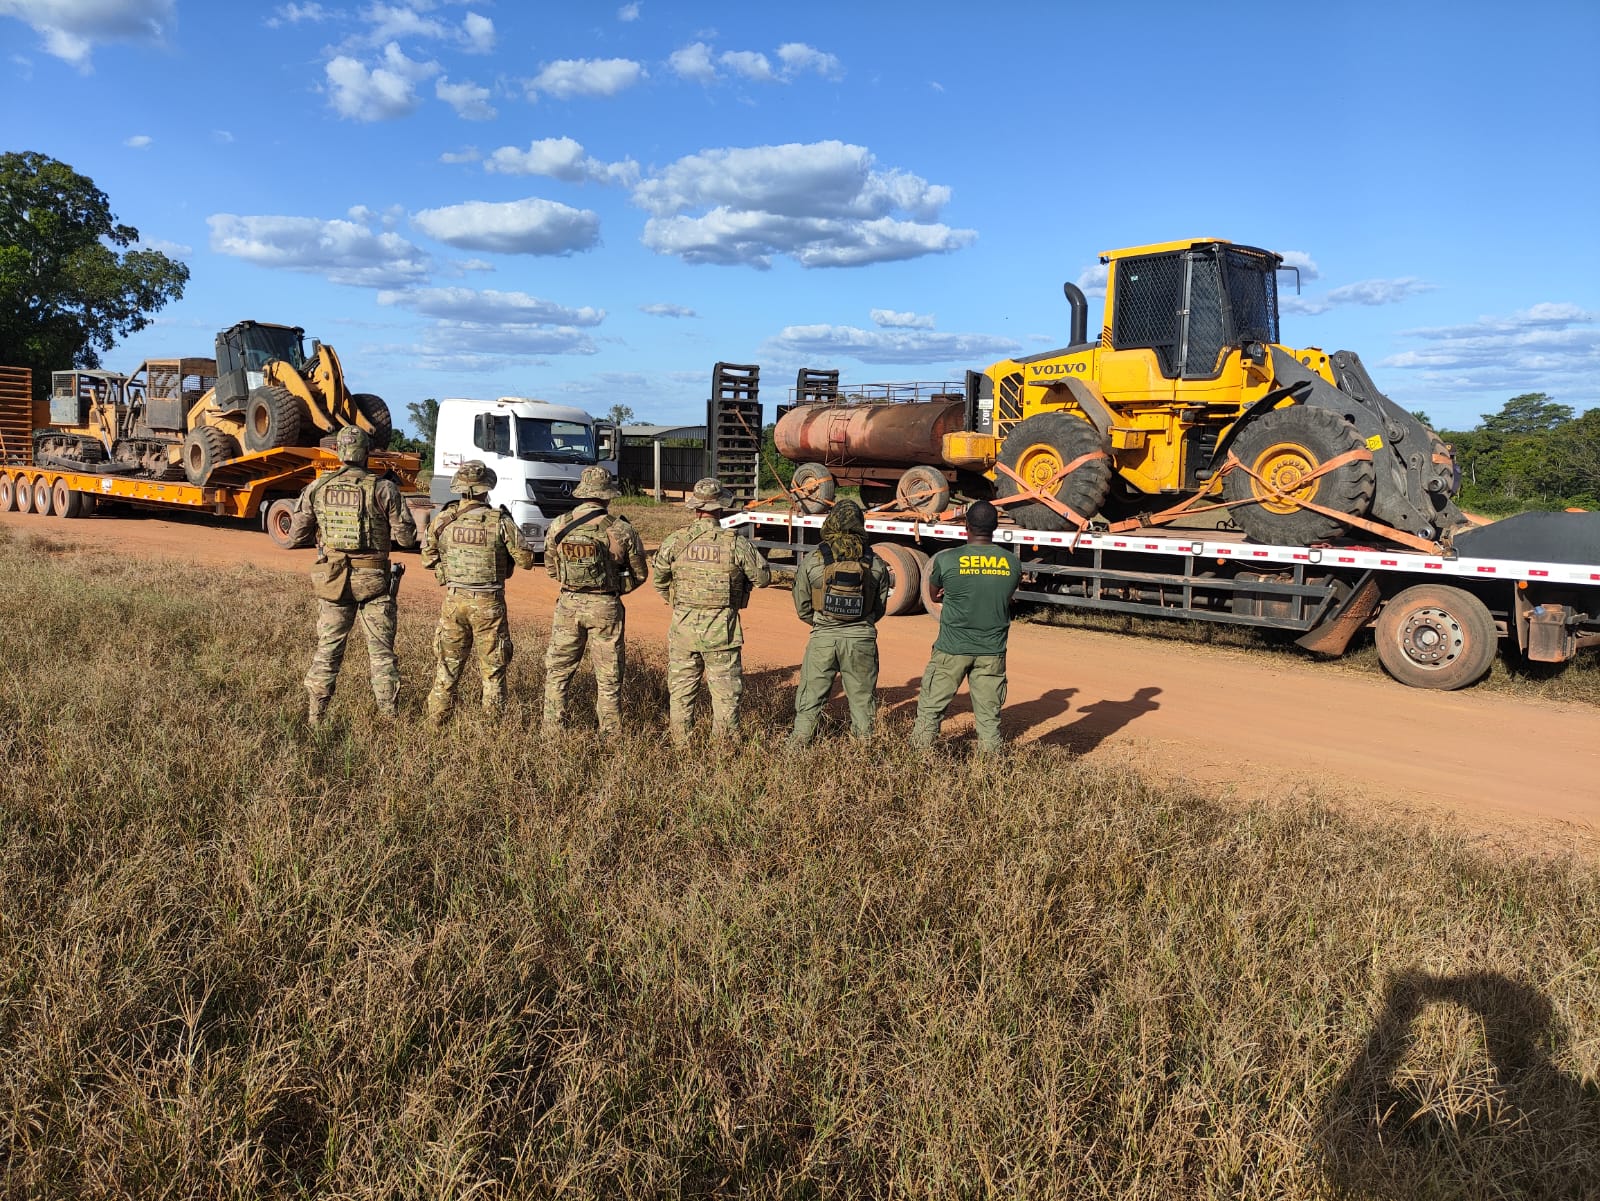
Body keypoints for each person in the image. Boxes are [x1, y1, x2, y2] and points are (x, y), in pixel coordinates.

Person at [287, 424, 418, 724]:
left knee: (328, 650)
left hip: (333, 581)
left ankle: (315, 718)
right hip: (374, 581)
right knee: (382, 654)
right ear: (367, 453)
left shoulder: (318, 488)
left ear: (339, 452)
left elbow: (296, 534)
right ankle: (390, 720)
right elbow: (408, 538)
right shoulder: (384, 488)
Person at [652, 477, 770, 744]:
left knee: (682, 693)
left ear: (696, 508)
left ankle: (682, 746)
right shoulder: (735, 543)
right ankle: (724, 750)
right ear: (721, 509)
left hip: (683, 630)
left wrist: (680, 604)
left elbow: (659, 580)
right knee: (725, 694)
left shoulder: (675, 541)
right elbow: (763, 578)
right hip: (721, 633)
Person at [420, 460, 534, 725]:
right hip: (489, 603)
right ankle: (492, 730)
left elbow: (427, 559)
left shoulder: (444, 519)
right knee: (493, 672)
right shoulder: (499, 520)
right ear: (487, 488)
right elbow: (526, 560)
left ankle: (436, 723)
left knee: (447, 668)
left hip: (454, 600)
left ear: (459, 487)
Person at [542, 465, 649, 736]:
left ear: (582, 493)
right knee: (609, 675)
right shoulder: (622, 530)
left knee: (558, 671)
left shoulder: (559, 524)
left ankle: (552, 731)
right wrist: (613, 588)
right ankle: (610, 734)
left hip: (568, 603)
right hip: (605, 606)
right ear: (607, 495)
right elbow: (639, 574)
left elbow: (551, 568)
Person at [911, 499, 1022, 753]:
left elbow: (933, 591)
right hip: (992, 651)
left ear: (966, 527)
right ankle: (990, 772)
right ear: (994, 527)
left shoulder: (948, 560)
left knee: (930, 712)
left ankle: (917, 764)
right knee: (989, 721)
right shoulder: (1011, 563)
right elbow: (1004, 596)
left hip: (951, 649)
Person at [787, 499, 890, 746]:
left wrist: (823, 623)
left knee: (810, 699)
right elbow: (879, 608)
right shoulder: (875, 563)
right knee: (863, 701)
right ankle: (864, 754)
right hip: (861, 640)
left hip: (823, 638)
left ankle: (796, 749)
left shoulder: (813, 560)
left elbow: (802, 607)